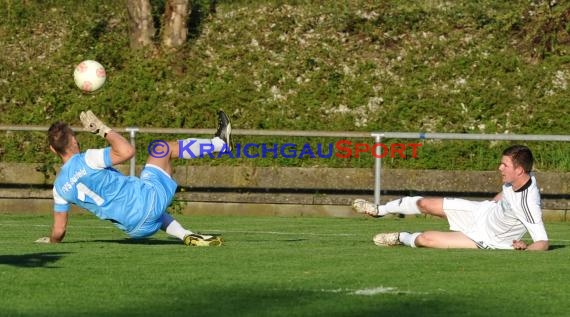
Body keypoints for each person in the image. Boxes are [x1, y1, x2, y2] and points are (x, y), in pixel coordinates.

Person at [35, 110, 232, 246]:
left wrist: (51, 241)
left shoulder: (59, 187)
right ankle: (219, 144)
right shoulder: (88, 158)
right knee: (161, 149)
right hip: (149, 202)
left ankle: (187, 235)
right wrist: (102, 129)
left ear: (53, 149)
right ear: (75, 140)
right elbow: (127, 151)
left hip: (136, 229)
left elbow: (59, 229)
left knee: (141, 202)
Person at [352, 145, 549, 251]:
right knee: (424, 203)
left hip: (484, 239)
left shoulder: (529, 203)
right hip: (480, 211)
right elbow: (506, 195)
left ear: (520, 170)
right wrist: (492, 203)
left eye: (504, 165)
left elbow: (542, 242)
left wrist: (526, 248)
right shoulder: (521, 178)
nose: (499, 168)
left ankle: (401, 238)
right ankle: (379, 210)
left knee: (426, 239)